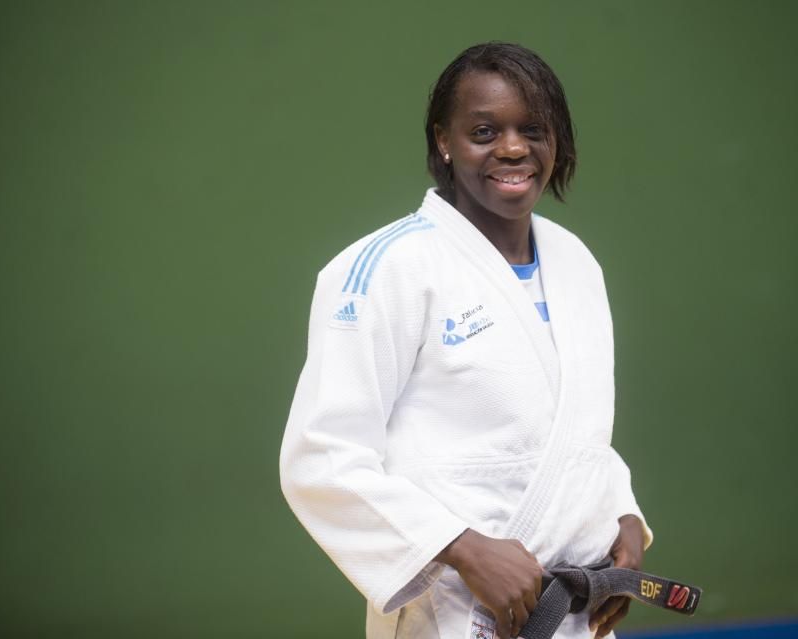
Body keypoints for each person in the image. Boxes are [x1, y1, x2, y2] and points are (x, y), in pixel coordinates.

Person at [279, 42, 653, 639]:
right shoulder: (387, 268)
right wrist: (463, 548)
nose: (512, 148)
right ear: (443, 141)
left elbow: (574, 427)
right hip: (455, 615)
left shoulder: (576, 262)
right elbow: (322, 457)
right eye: (484, 130)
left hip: (576, 613)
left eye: (533, 129)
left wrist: (624, 517)